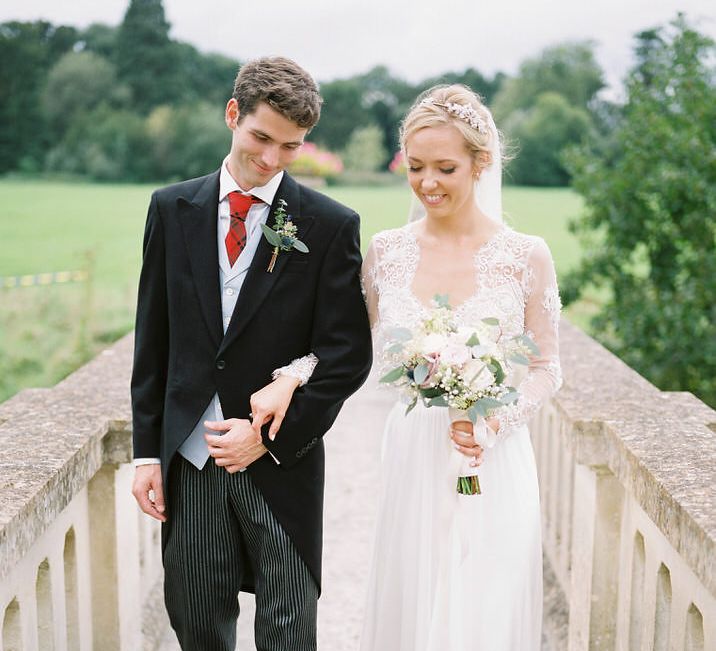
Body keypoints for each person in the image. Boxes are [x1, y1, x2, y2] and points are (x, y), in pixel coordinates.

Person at [130, 56, 372, 651]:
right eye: (261, 138)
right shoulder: (170, 208)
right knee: (198, 623)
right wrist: (145, 454)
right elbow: (153, 338)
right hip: (191, 459)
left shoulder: (329, 224)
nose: (270, 160)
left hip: (282, 465)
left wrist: (267, 437)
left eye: (290, 148)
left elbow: (345, 355)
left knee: (289, 629)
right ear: (233, 114)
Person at [356, 85, 563, 649]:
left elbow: (547, 367)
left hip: (492, 456)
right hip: (413, 451)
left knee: (483, 607)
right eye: (416, 167)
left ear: (481, 162)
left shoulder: (525, 256)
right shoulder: (386, 252)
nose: (428, 183)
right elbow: (344, 347)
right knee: (413, 597)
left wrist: (494, 421)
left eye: (445, 167)